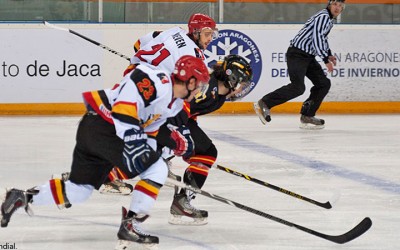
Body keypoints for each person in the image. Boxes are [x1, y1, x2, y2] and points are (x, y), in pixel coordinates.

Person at [0, 55, 210, 250]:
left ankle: (22, 197)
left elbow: (150, 130)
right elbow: (124, 107)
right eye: (199, 84)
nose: (200, 90)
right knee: (157, 169)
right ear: (189, 81)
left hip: (97, 131)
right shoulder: (156, 80)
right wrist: (136, 143)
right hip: (104, 126)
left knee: (78, 191)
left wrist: (168, 144)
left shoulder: (174, 105)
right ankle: (131, 226)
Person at [101, 13, 218, 195]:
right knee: (167, 124)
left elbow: (139, 45)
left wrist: (147, 62)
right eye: (207, 33)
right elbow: (185, 90)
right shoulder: (195, 56)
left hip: (133, 79)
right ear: (195, 32)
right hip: (150, 91)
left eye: (212, 34)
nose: (210, 38)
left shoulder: (173, 32)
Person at [156, 54, 253, 225]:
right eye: (241, 83)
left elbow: (190, 112)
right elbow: (179, 105)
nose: (241, 89)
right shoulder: (208, 88)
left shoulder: (219, 95)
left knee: (207, 152)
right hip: (161, 120)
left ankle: (183, 201)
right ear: (232, 77)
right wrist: (178, 132)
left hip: (173, 120)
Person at [254, 0, 345, 129]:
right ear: (330, 5)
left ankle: (307, 115)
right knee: (298, 87)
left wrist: (328, 54)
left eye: (340, 6)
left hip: (308, 56)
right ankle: (264, 103)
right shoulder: (323, 17)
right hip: (297, 54)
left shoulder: (329, 20)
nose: (337, 8)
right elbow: (317, 38)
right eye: (335, 4)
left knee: (323, 83)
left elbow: (323, 38)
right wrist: (325, 60)